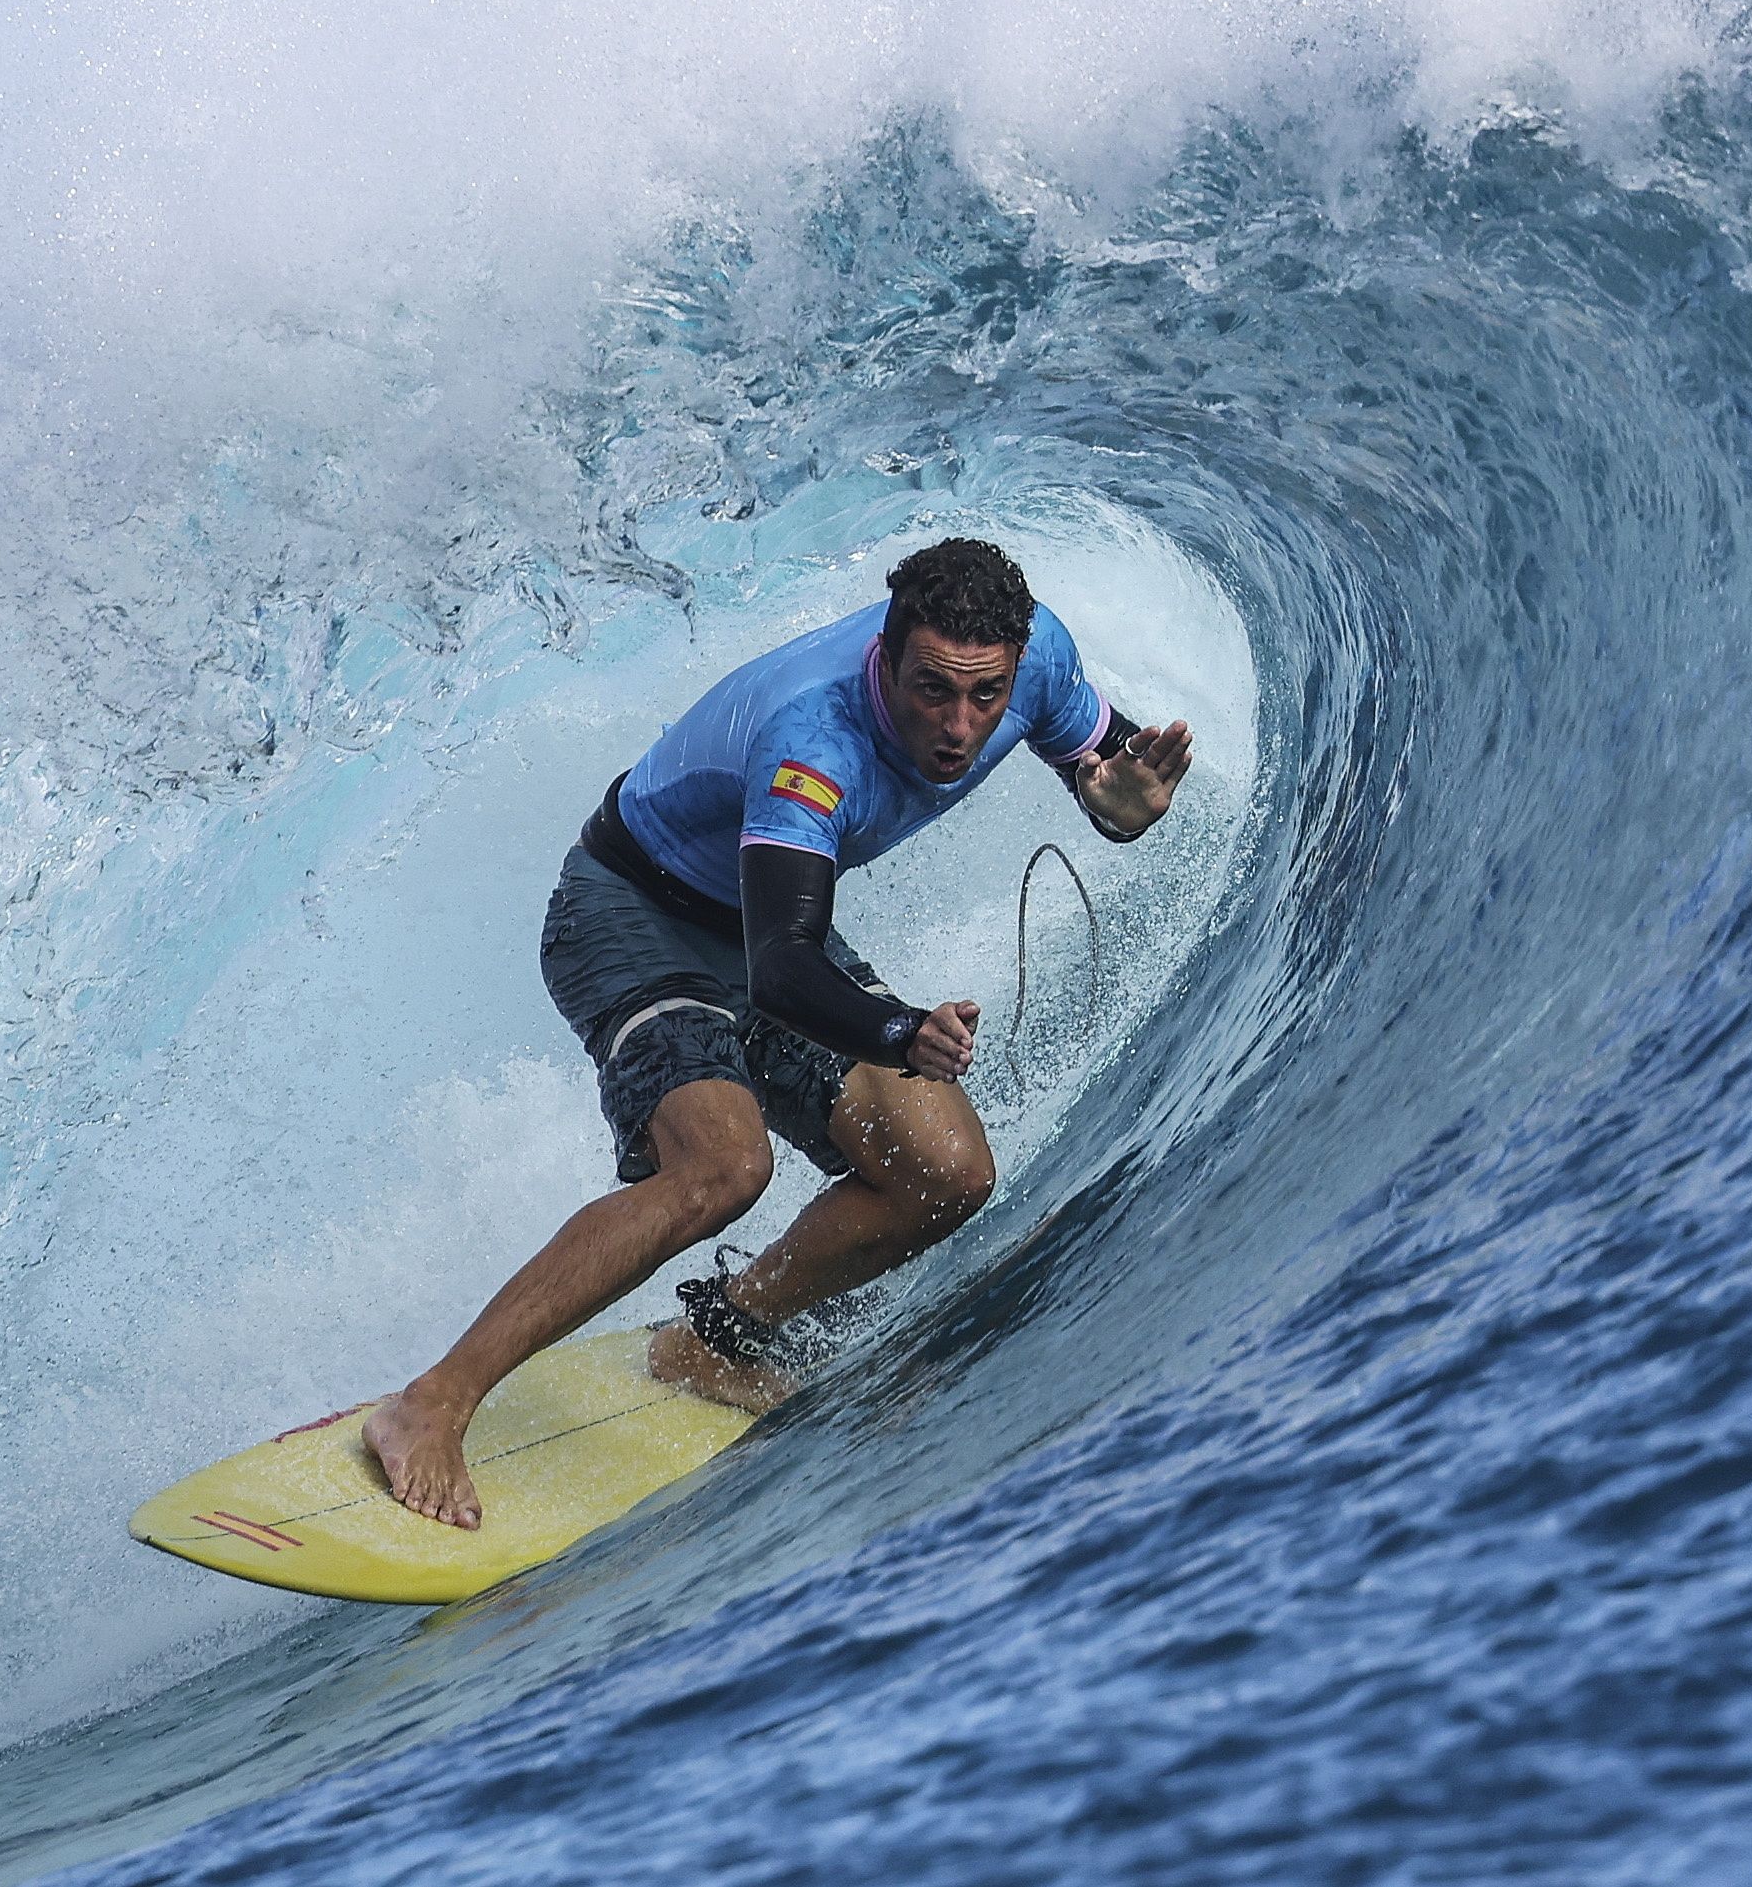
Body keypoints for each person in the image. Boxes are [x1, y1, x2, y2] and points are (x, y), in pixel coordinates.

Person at [363, 537, 1195, 1527]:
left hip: (760, 915)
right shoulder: (815, 733)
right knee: (721, 1168)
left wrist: (1123, 811)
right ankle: (431, 1401)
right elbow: (784, 972)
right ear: (884, 657)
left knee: (948, 1172)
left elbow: (1112, 777)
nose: (959, 725)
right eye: (931, 690)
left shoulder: (1036, 655)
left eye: (985, 696)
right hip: (631, 911)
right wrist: (896, 1029)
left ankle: (718, 1336)